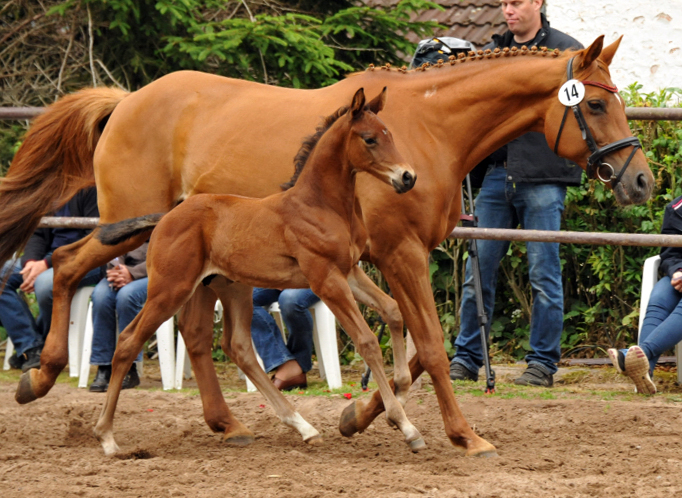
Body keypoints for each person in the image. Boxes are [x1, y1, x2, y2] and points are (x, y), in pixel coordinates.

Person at [449, 0, 583, 387]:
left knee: (543, 273)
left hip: (543, 176)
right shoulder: (492, 55)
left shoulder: (566, 54)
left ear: (538, 3)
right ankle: (466, 358)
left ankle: (542, 363)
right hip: (495, 175)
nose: (508, 10)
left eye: (516, 2)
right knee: (478, 272)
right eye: (504, 3)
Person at [0, 186, 102, 371]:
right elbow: (37, 232)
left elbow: (92, 240)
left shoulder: (91, 188)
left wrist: (46, 264)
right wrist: (31, 262)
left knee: (46, 283)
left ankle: (39, 344)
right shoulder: (52, 187)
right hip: (49, 257)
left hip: (85, 258)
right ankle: (32, 347)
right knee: (2, 274)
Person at [608, 196, 682, 395]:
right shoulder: (677, 208)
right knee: (659, 298)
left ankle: (638, 355)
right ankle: (644, 371)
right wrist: (678, 271)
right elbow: (670, 253)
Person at [88, 243, 149, 392]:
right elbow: (116, 245)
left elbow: (167, 257)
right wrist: (118, 269)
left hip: (154, 273)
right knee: (101, 297)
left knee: (127, 296)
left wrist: (133, 273)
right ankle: (104, 367)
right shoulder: (127, 219)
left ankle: (129, 367)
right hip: (122, 272)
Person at [250, 288, 319, 391]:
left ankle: (297, 363)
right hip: (282, 276)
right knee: (243, 299)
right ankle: (286, 364)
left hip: (314, 278)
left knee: (289, 300)